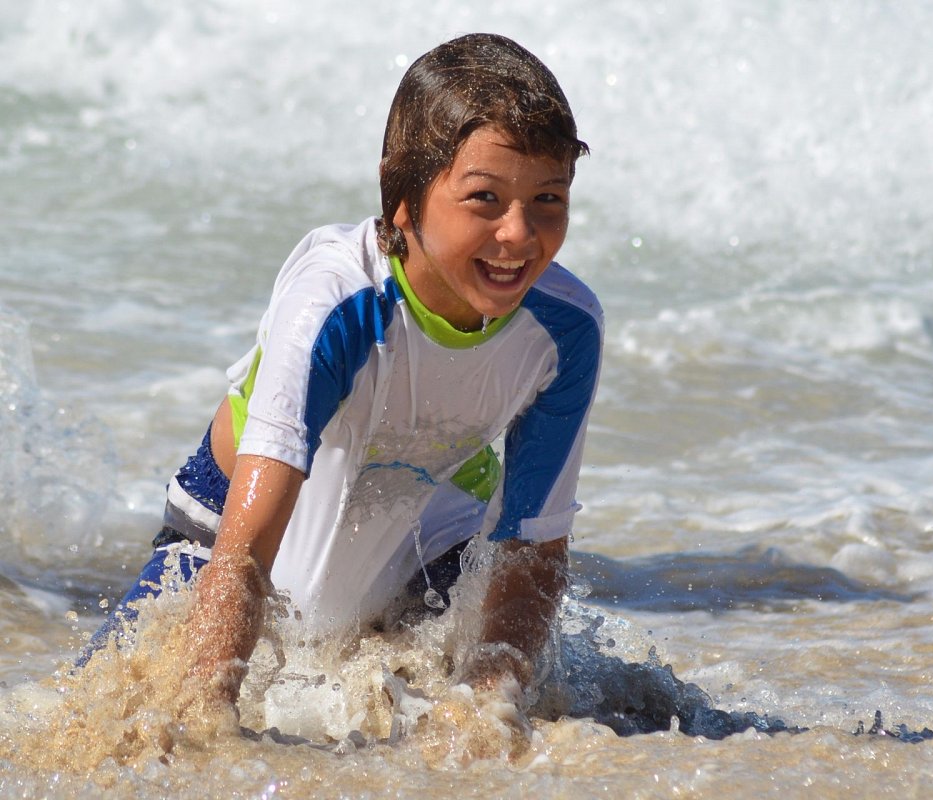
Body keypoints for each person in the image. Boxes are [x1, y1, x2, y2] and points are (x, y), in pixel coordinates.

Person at [79, 33, 602, 713]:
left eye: (548, 200)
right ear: (405, 203)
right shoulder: (336, 302)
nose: (519, 233)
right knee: (120, 712)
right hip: (228, 523)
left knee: (559, 713)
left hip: (425, 538)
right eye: (484, 199)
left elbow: (531, 553)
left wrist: (489, 708)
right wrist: (209, 720)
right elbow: (242, 555)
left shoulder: (566, 329)